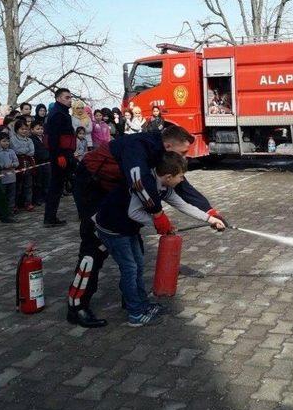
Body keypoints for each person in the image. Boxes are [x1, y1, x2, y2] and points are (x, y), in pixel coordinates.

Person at [67, 125, 225, 327]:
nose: (186, 157)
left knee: (136, 252)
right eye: (183, 152)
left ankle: (133, 301)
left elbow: (180, 187)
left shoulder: (165, 158)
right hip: (92, 185)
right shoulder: (138, 146)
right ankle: (77, 305)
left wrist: (209, 213)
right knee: (94, 247)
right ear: (168, 146)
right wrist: (158, 216)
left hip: (119, 194)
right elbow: (139, 181)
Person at [44, 88, 75, 226]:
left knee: (58, 186)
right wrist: (59, 156)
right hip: (60, 154)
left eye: (70, 97)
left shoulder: (61, 112)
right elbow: (53, 138)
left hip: (65, 152)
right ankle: (49, 218)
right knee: (55, 187)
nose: (70, 100)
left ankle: (50, 218)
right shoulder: (57, 114)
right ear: (58, 98)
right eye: (67, 97)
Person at [10, 119, 35, 212]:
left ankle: (28, 203)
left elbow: (32, 152)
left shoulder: (29, 140)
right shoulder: (12, 139)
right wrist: (25, 151)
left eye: (26, 129)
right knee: (17, 186)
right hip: (18, 164)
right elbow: (16, 150)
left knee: (28, 185)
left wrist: (24, 151)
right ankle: (15, 205)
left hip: (28, 164)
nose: (24, 131)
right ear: (17, 129)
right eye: (22, 129)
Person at [0, 134, 18, 220]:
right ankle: (2, 213)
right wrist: (3, 166)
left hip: (12, 178)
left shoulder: (11, 151)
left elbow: (16, 162)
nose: (6, 143)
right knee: (2, 196)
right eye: (4, 141)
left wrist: (12, 164)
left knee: (11, 196)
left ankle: (10, 211)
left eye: (8, 141)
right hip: (2, 179)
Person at [31, 121, 50, 206]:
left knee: (47, 180)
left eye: (41, 128)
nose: (40, 130)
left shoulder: (45, 138)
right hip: (38, 163)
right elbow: (35, 151)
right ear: (32, 130)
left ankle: (46, 197)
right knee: (38, 182)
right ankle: (38, 198)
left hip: (47, 162)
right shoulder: (32, 139)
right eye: (37, 129)